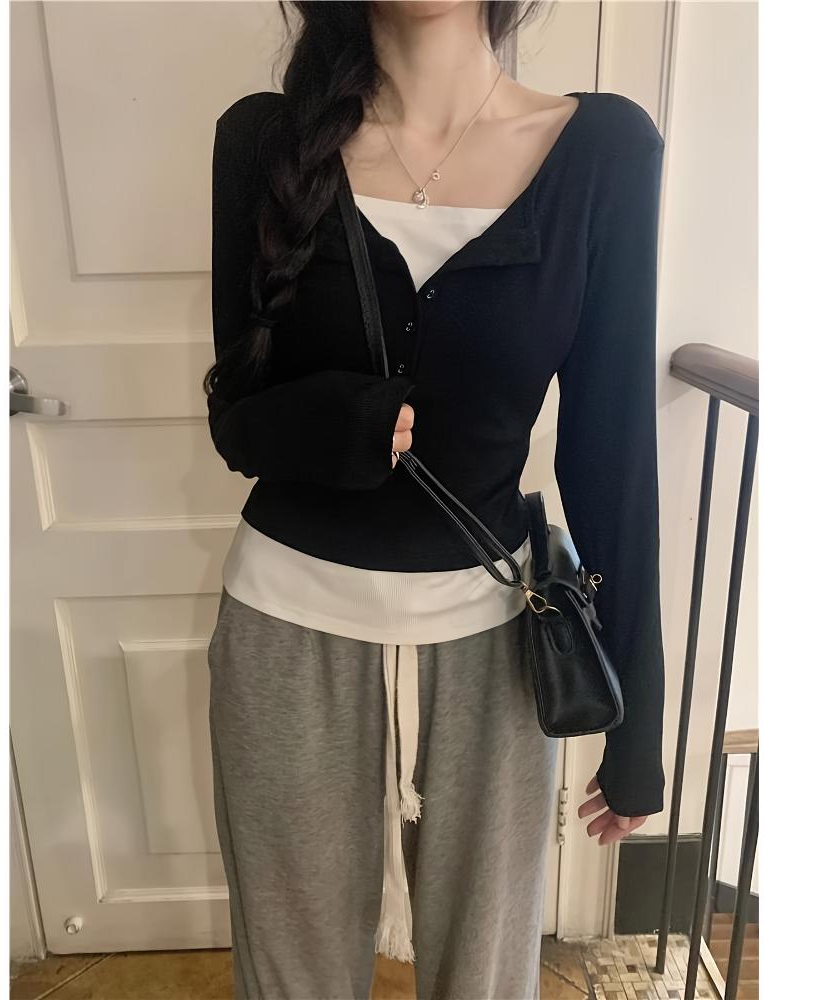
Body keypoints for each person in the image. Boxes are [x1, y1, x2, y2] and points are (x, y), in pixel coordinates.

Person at [203, 3, 667, 997]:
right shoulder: (261, 142)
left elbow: (612, 453)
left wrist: (639, 715)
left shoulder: (603, 153)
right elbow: (234, 419)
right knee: (289, 980)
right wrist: (336, 421)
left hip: (491, 649)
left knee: (486, 978)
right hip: (284, 632)